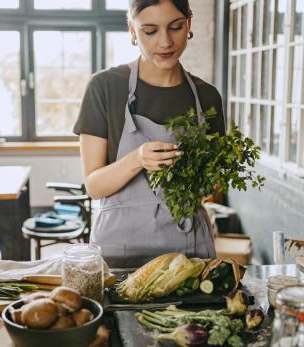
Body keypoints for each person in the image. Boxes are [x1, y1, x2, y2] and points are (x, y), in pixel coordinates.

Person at [74, 0, 225, 268]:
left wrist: (203, 179)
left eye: (175, 27)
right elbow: (94, 186)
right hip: (120, 253)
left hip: (189, 251)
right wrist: (138, 159)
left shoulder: (206, 97)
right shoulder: (105, 88)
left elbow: (211, 185)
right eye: (150, 31)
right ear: (133, 30)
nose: (165, 42)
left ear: (189, 24)